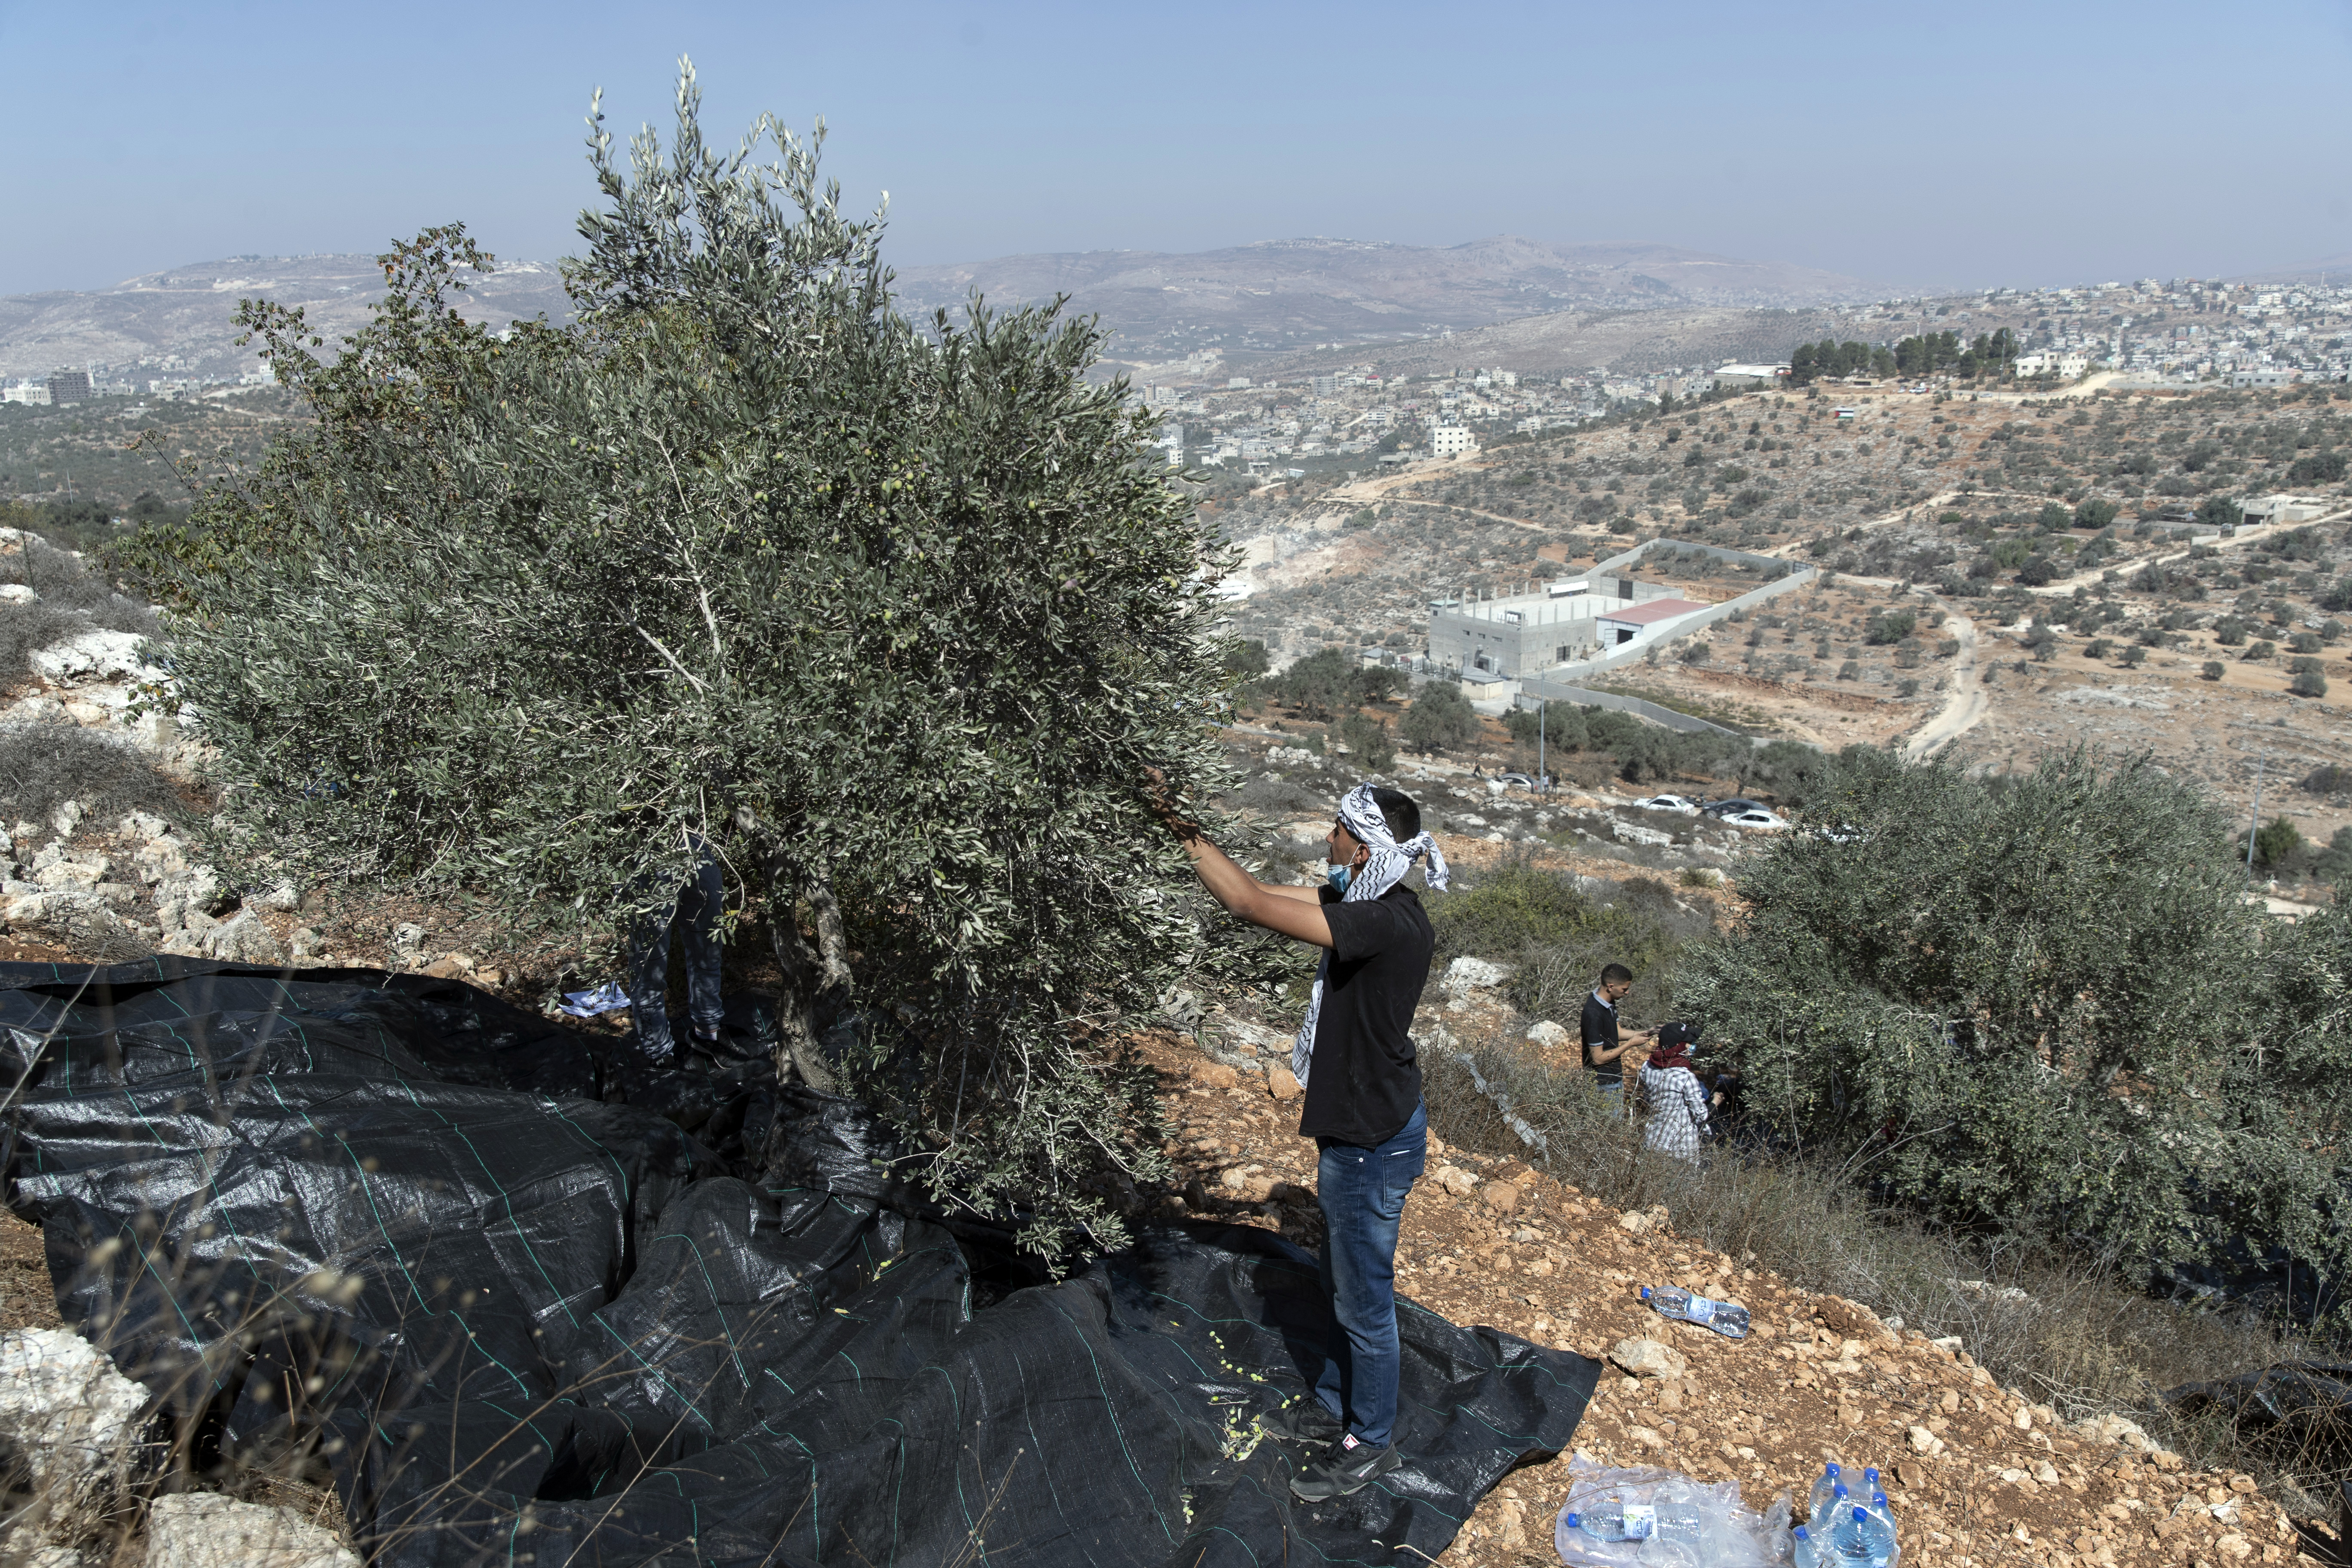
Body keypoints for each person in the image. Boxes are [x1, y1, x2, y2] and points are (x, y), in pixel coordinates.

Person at [1151, 776, 1446, 1503]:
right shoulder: (1370, 900)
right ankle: (1340, 1409)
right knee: (1342, 1281)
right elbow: (1259, 886)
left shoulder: (1380, 921)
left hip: (1370, 1141)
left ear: (1365, 843)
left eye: (1337, 830)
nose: (1326, 840)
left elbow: (1246, 903)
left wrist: (1171, 817)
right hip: (1365, 1126)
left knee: (1363, 1301)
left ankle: (1369, 1441)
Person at [623, 834, 726, 1063]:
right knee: (649, 965)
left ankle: (708, 1033)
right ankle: (659, 1053)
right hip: (649, 853)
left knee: (709, 949)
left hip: (695, 844)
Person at [1640, 1021, 1721, 1163]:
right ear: (1680, 1046)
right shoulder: (1685, 1076)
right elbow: (1701, 1115)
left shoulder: (1647, 1066)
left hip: (1654, 1142)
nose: (1692, 1046)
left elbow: (1647, 1099)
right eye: (1689, 1042)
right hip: (1681, 1148)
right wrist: (1715, 1102)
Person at [1580, 963, 1651, 1104]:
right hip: (1603, 1083)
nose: (1627, 992)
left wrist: (1648, 1033)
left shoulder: (1609, 1003)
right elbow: (1598, 1058)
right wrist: (1631, 1044)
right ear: (1611, 987)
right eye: (1625, 989)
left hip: (1614, 1078)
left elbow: (1617, 1032)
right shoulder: (1594, 1014)